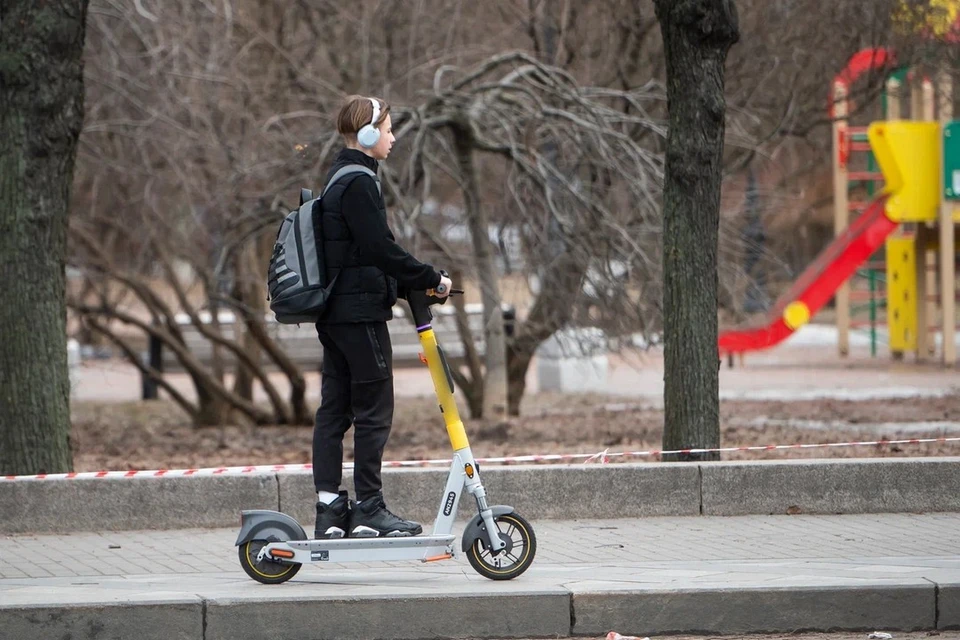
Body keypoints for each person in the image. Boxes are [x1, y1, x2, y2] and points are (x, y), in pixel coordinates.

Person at [312, 95, 452, 539]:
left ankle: (330, 509)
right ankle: (369, 508)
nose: (392, 138)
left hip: (336, 315)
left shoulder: (337, 177)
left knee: (334, 410)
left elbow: (359, 252)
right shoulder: (359, 182)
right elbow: (379, 249)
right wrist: (431, 277)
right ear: (369, 133)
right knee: (373, 410)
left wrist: (407, 282)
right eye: (388, 130)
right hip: (359, 316)